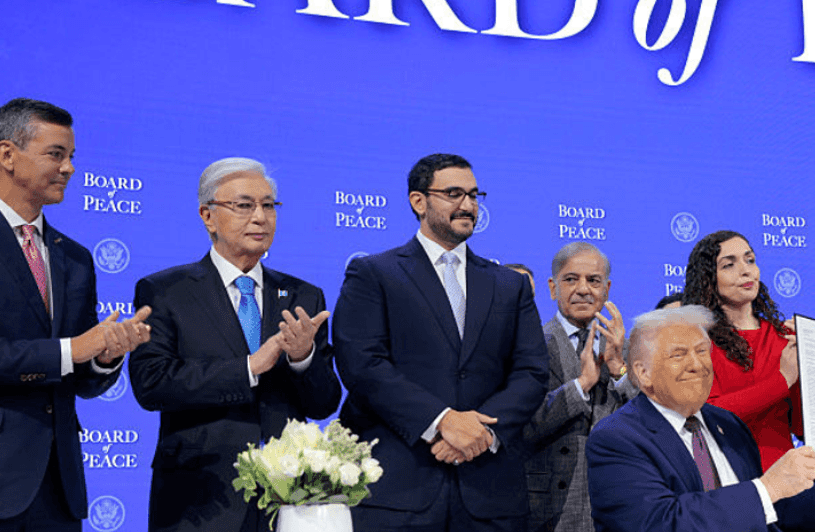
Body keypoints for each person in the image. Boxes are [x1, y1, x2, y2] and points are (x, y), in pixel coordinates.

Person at [332, 153, 549, 531]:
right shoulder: (374, 273)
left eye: (473, 194)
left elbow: (531, 372)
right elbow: (362, 364)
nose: (467, 205)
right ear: (419, 201)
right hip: (399, 491)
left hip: (491, 495)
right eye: (453, 193)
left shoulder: (509, 285)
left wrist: (482, 433)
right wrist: (441, 421)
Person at [128, 157, 341, 532]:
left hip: (289, 499)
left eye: (268, 205)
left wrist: (303, 358)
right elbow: (152, 384)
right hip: (199, 500)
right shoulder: (165, 290)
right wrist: (249, 368)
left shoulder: (303, 295)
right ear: (207, 216)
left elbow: (323, 403)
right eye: (244, 205)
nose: (260, 217)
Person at [0, 98, 151, 532]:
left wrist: (105, 355)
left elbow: (81, 379)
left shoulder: (74, 258)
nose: (69, 169)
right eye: (55, 155)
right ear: (7, 155)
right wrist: (73, 348)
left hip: (58, 490)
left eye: (72, 157)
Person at [586, 306, 815, 532]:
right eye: (678, 355)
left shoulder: (727, 424)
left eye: (703, 351)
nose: (697, 364)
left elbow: (765, 514)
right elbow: (662, 523)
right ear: (643, 373)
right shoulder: (616, 438)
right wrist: (767, 487)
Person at [523, 242, 636, 532]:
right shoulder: (529, 343)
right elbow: (522, 425)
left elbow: (650, 422)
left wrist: (618, 369)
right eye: (571, 279)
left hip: (613, 507)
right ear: (552, 287)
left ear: (607, 288)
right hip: (548, 510)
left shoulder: (628, 349)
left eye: (593, 280)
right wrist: (581, 385)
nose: (583, 289)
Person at [683, 230, 799, 472]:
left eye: (750, 260)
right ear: (708, 278)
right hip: (727, 479)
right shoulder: (697, 341)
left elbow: (802, 426)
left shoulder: (783, 338)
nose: (746, 270)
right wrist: (782, 381)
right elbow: (706, 415)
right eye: (729, 265)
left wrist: (812, 358)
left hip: (787, 477)